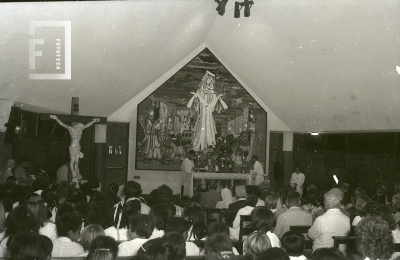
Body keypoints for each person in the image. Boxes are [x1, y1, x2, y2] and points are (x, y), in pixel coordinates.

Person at [50, 115, 99, 183]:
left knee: (76, 162)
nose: (81, 127)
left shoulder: (80, 130)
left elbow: (87, 125)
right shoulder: (72, 129)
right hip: (73, 146)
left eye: (81, 126)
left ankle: (74, 176)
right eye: (80, 126)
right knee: (72, 161)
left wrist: (93, 121)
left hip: (78, 147)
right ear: (78, 125)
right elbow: (63, 124)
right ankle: (73, 175)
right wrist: (56, 118)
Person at [187, 70, 228, 151]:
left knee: (208, 122)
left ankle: (210, 143)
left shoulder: (211, 91)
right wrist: (195, 96)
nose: (209, 81)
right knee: (202, 122)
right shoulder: (200, 90)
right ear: (205, 79)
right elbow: (196, 97)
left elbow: (214, 100)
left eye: (211, 80)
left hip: (208, 109)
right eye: (208, 79)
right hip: (203, 109)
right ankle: (199, 143)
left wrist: (218, 97)